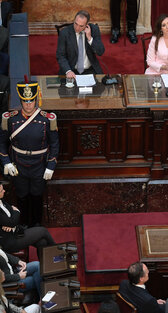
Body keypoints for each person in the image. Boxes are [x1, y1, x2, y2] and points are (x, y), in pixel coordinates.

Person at [0, 80, 59, 226]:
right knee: (21, 196)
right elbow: (1, 143)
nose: (28, 104)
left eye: (31, 101)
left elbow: (55, 144)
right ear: (21, 101)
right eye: (25, 101)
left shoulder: (46, 119)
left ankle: (37, 224)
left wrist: (51, 165)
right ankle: (23, 224)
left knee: (37, 196)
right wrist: (6, 162)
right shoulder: (10, 119)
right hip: (18, 165)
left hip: (39, 165)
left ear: (36, 100)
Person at [0, 184, 55, 257]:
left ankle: (45, 266)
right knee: (43, 231)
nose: (4, 191)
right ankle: (58, 252)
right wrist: (17, 212)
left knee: (42, 242)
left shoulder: (2, 200)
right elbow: (13, 218)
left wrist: (12, 223)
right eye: (1, 191)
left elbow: (12, 214)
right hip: (9, 242)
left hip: (17, 232)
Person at [56, 10, 105, 78]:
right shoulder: (65, 33)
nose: (77, 28)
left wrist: (90, 38)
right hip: (72, 70)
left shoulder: (94, 30)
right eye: (76, 24)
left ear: (87, 24)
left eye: (81, 26)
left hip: (90, 70)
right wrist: (68, 71)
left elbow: (100, 51)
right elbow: (60, 55)